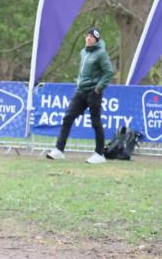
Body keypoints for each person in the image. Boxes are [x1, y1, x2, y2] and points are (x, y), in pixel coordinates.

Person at [46, 27, 114, 164]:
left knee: (96, 122)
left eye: (91, 37)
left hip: (94, 92)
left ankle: (99, 154)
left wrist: (99, 87)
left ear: (96, 40)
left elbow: (109, 72)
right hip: (80, 91)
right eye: (87, 36)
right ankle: (59, 150)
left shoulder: (101, 54)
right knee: (68, 117)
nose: (88, 38)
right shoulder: (83, 52)